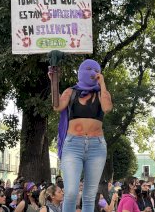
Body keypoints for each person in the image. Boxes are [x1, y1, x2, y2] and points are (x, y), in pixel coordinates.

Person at [51, 59, 112, 212]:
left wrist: (102, 84)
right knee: (71, 192)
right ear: (80, 71)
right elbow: (57, 106)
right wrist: (54, 81)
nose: (92, 72)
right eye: (88, 69)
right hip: (73, 145)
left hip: (97, 146)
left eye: (95, 70)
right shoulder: (70, 91)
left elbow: (107, 108)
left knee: (90, 196)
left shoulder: (101, 93)